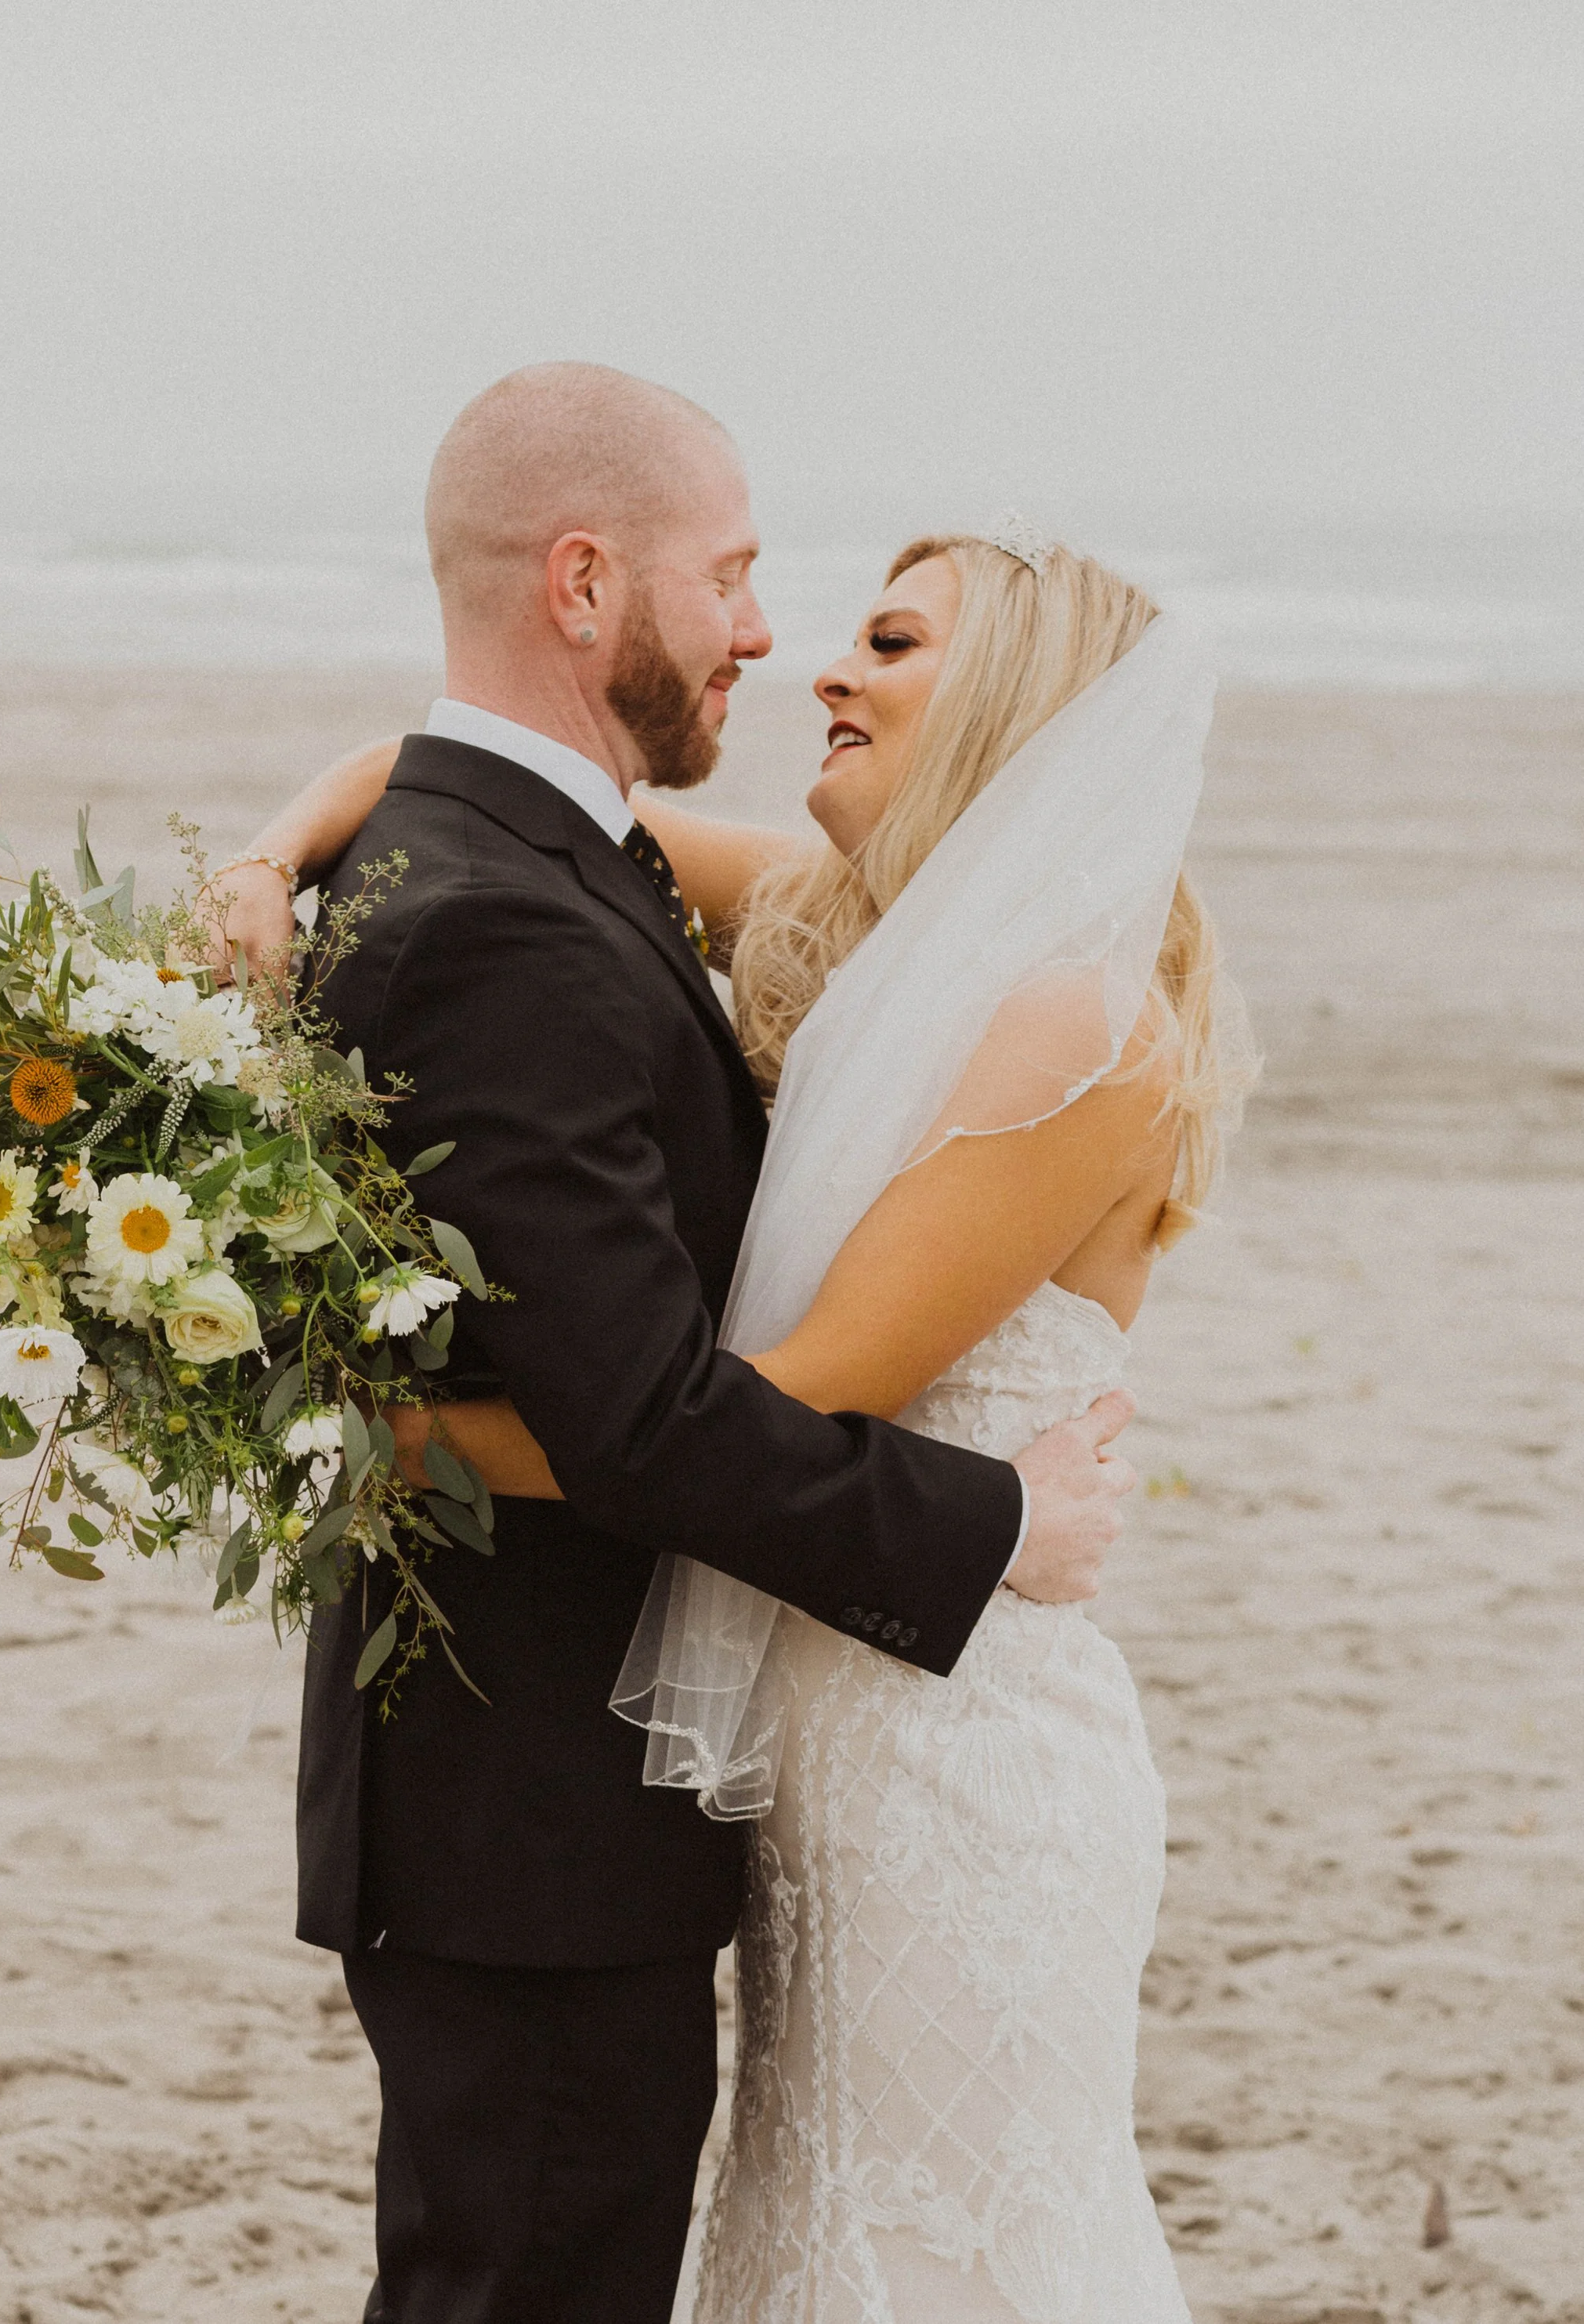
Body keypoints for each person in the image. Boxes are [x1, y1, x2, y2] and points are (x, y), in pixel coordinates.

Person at [212, 364, 1137, 2324]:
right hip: (536, 1821)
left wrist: (293, 829)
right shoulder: (511, 916)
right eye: (729, 576)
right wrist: (979, 1525)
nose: (762, 630)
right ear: (577, 585)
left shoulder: (564, 863)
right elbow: (637, 1414)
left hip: (619, 1800)